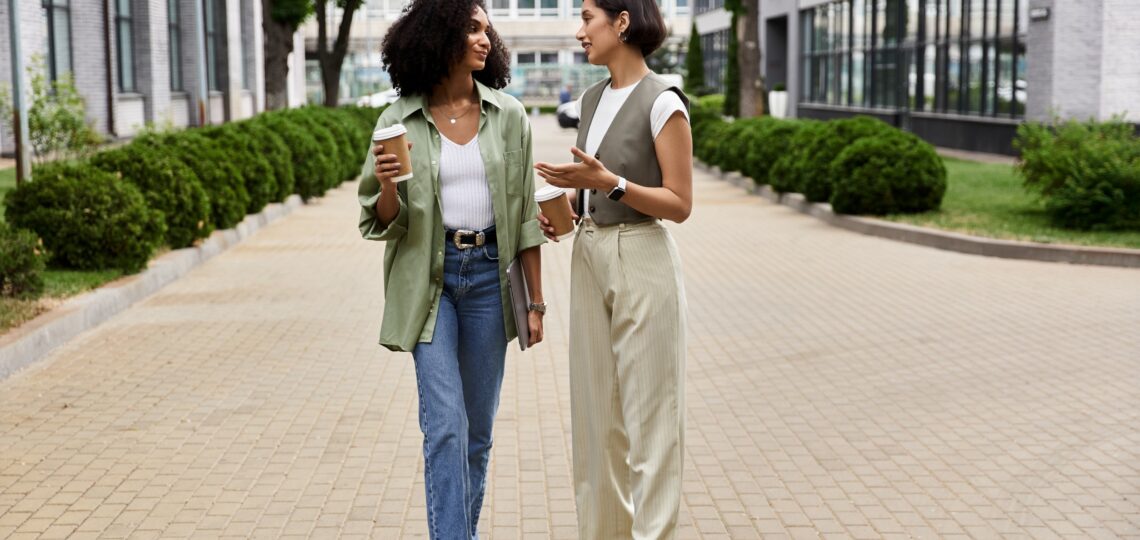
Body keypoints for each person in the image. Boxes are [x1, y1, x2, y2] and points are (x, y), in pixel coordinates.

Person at [357, 1, 547, 537]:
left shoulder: (509, 115)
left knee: (477, 434)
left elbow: (525, 215)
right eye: (471, 28)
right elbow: (382, 223)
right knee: (444, 427)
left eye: (487, 30)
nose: (484, 40)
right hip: (431, 283)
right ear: (439, 36)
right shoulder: (398, 120)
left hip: (489, 279)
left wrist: (535, 302)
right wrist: (389, 183)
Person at [534, 0, 692, 537]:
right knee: (596, 421)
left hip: (643, 257)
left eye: (586, 18)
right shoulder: (592, 98)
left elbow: (679, 203)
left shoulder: (663, 101)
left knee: (651, 424)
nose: (579, 31)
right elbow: (594, 188)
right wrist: (565, 210)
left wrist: (612, 184)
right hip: (591, 253)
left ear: (621, 22)